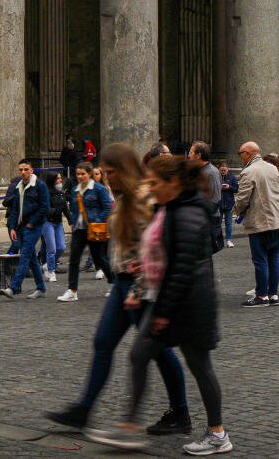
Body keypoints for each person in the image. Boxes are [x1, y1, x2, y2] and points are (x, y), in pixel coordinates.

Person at [46, 142, 189, 438]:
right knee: (103, 342)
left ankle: (179, 412)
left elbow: (154, 249)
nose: (106, 177)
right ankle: (83, 410)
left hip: (142, 286)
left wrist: (138, 289)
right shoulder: (123, 196)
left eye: (110, 172)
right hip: (123, 280)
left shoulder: (144, 198)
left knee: (157, 351)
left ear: (123, 170)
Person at [91, 153, 228, 454]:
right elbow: (154, 256)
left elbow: (182, 268)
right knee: (140, 356)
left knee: (200, 366)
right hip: (171, 301)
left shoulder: (187, 213)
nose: (150, 188)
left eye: (154, 182)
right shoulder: (170, 207)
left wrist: (163, 312)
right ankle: (129, 428)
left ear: (174, 182)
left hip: (188, 306)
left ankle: (217, 433)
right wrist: (139, 288)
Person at [232, 141, 279, 306]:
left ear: (248, 153)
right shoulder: (272, 168)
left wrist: (237, 211)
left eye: (240, 153)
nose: (240, 157)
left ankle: (261, 296)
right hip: (277, 220)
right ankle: (273, 294)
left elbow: (242, 198)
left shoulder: (249, 171)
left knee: (260, 259)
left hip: (259, 221)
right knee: (274, 257)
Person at [58, 163, 111, 301]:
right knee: (74, 259)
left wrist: (98, 220)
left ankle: (115, 283)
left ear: (89, 174)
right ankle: (72, 290)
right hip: (79, 230)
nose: (80, 176)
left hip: (94, 229)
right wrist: (74, 223)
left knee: (100, 259)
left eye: (83, 174)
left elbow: (107, 207)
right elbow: (75, 210)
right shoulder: (76, 190)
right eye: (78, 174)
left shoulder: (98, 189)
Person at [1, 157, 50, 298]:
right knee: (32, 258)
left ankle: (13, 287)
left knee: (25, 255)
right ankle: (41, 288)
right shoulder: (18, 187)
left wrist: (32, 223)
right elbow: (14, 209)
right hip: (22, 226)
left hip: (34, 226)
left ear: (31, 170)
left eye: (26, 169)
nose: (23, 172)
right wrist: (12, 227)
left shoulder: (40, 186)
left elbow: (45, 207)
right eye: (20, 170)